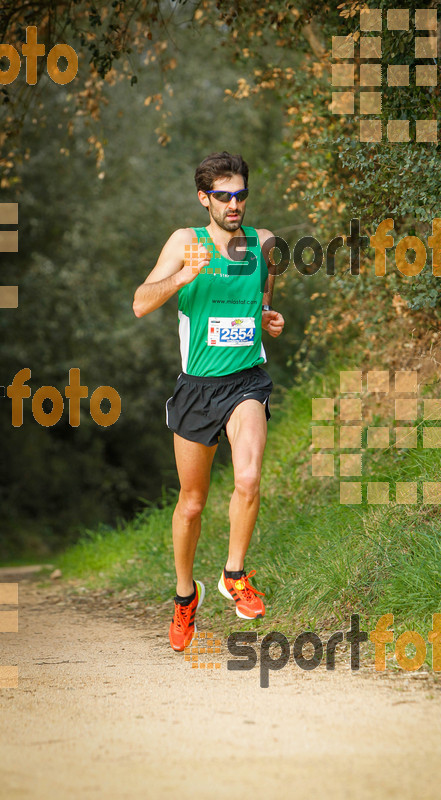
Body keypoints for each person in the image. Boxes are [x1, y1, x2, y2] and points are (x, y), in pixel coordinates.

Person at [133, 151, 284, 652]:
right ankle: (184, 599)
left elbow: (260, 308)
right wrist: (184, 275)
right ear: (205, 199)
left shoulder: (264, 244)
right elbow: (140, 302)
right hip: (197, 387)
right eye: (224, 196)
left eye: (241, 194)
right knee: (192, 503)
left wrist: (268, 319)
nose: (235, 203)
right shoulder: (185, 242)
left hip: (246, 382)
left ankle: (233, 573)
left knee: (247, 477)